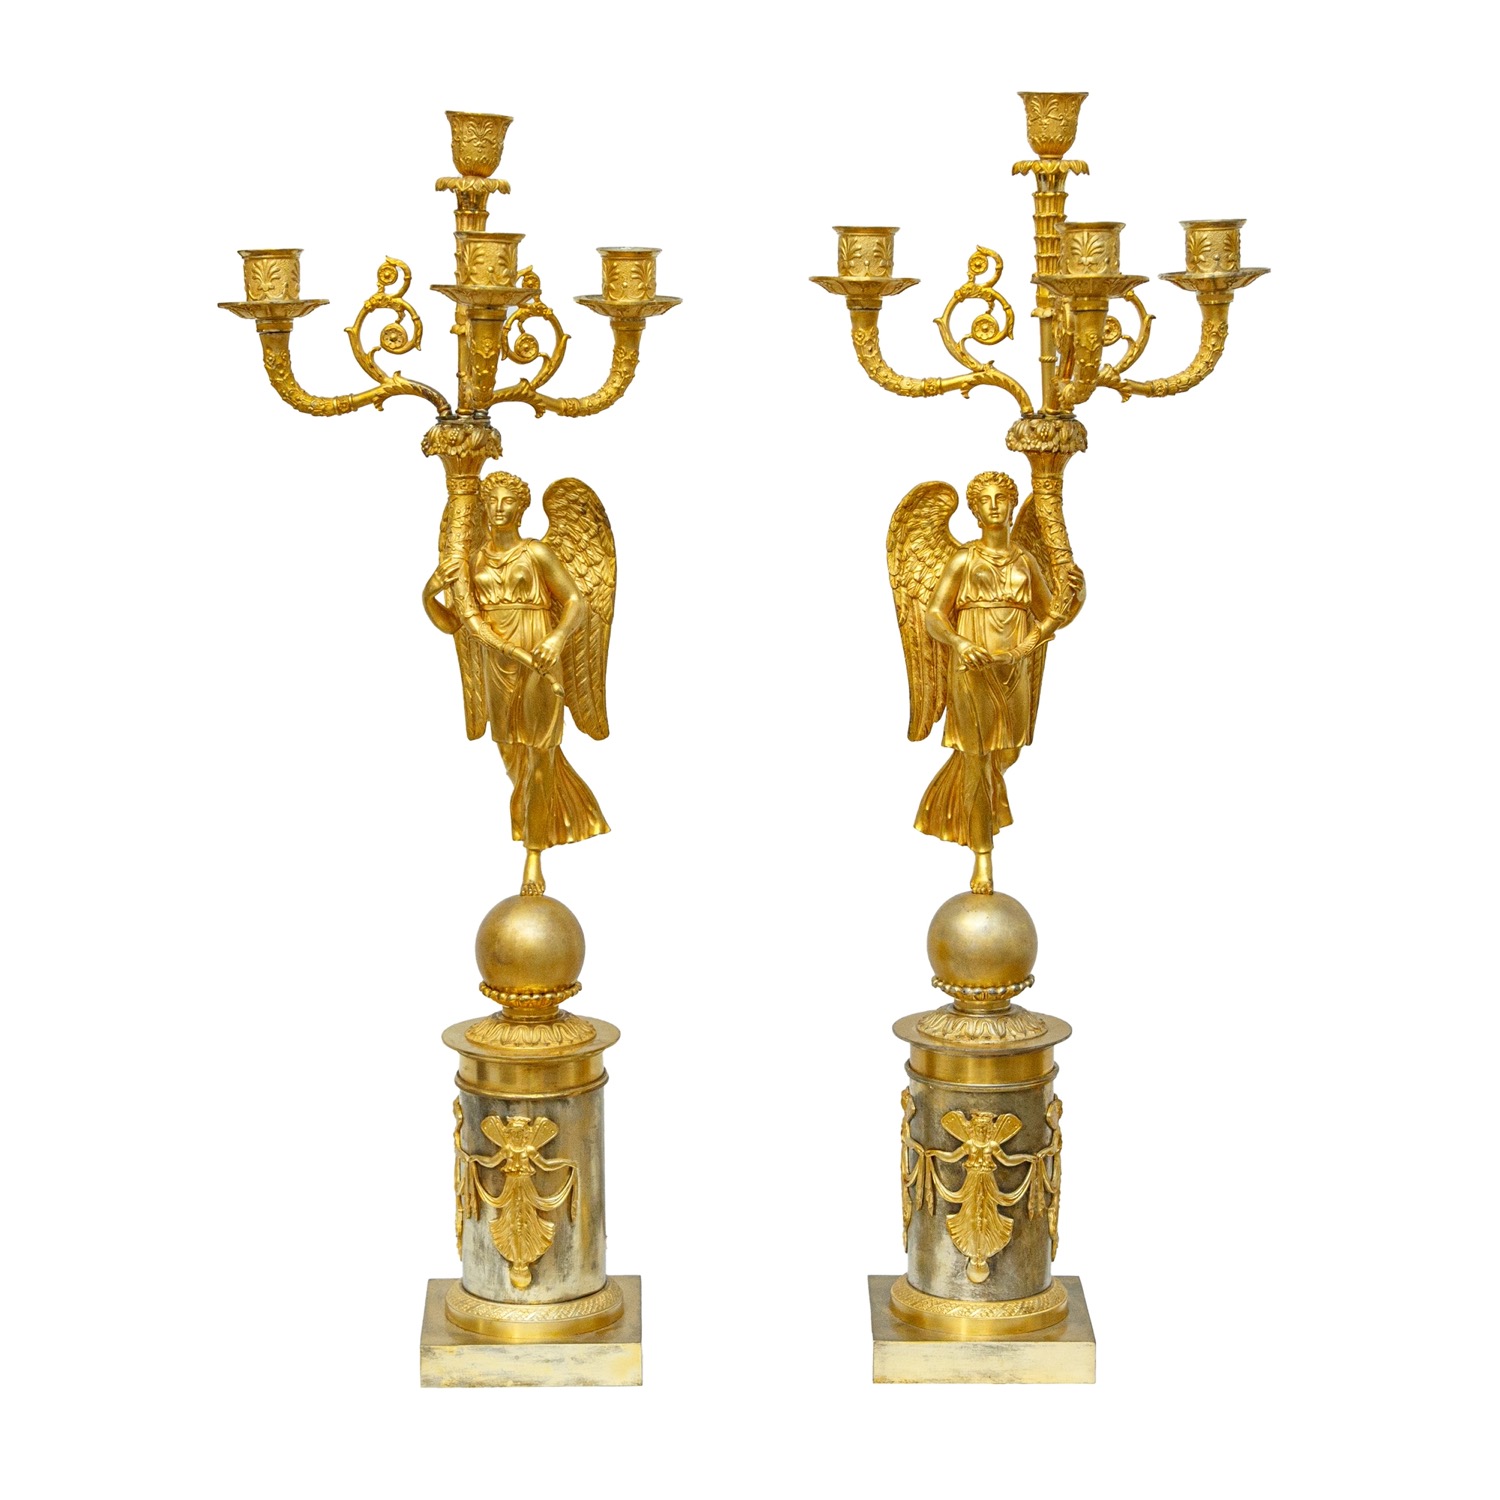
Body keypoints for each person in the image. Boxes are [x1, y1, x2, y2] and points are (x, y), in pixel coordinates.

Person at [916, 472, 1054, 894]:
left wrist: (1035, 636)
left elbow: (1052, 613)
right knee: (977, 760)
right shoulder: (963, 560)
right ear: (975, 512)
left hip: (1014, 667)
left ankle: (958, 797)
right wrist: (959, 643)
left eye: (1001, 499)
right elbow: (934, 615)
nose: (994, 506)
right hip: (971, 668)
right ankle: (982, 857)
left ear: (1012, 506)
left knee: (1007, 753)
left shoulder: (1025, 561)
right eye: (985, 501)